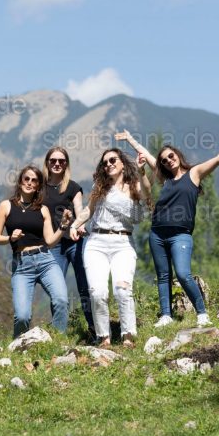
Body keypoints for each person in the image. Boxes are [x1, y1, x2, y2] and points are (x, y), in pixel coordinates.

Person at [115, 129, 219, 327]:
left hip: (180, 235)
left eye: (171, 156)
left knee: (183, 274)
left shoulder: (194, 174)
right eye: (164, 160)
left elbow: (218, 159)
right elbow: (145, 153)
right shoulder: (165, 179)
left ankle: (202, 313)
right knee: (163, 276)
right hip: (157, 233)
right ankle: (166, 316)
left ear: (178, 155)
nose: (168, 161)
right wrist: (130, 139)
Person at [70, 149, 151, 348]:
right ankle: (103, 337)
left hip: (123, 243)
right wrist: (74, 225)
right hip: (96, 242)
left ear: (122, 163)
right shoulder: (100, 186)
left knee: (122, 290)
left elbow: (147, 194)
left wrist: (142, 171)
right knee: (97, 292)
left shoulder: (134, 185)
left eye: (113, 160)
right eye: (105, 163)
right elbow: (89, 209)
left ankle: (128, 336)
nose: (109, 164)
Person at [0, 165, 73, 338]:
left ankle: (58, 341)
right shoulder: (6, 206)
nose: (29, 182)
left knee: (61, 301)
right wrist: (10, 238)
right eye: (26, 179)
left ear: (38, 186)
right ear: (20, 181)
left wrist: (63, 226)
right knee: (22, 316)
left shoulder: (43, 209)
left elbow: (50, 241)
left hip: (46, 261)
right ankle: (19, 346)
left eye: (34, 180)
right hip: (22, 265)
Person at [42, 147, 95, 341]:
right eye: (53, 160)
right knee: (57, 291)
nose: (57, 164)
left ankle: (94, 329)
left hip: (75, 242)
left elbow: (80, 210)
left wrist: (79, 225)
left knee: (85, 286)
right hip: (54, 245)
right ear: (47, 163)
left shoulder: (73, 187)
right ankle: (59, 334)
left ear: (66, 164)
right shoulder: (40, 188)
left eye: (61, 161)